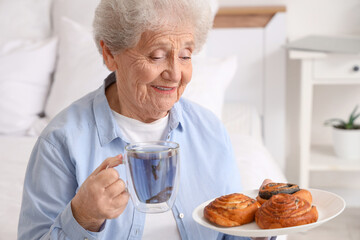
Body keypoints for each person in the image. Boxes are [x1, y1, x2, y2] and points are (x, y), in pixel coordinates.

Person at [18, 0, 275, 239]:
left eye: (185, 56)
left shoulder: (210, 131)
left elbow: (230, 234)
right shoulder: (61, 141)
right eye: (156, 55)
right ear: (109, 54)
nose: (175, 74)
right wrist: (82, 217)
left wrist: (262, 225)